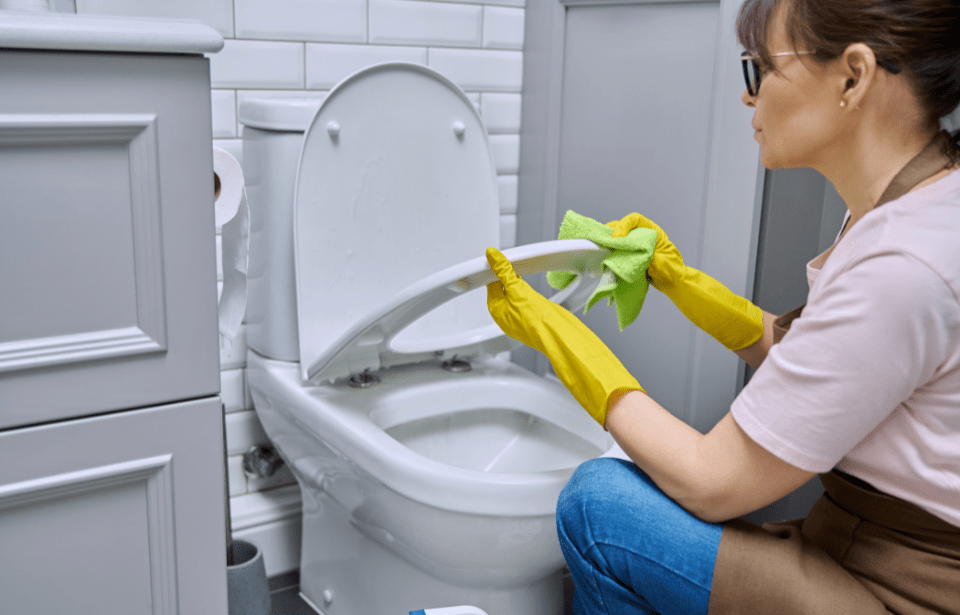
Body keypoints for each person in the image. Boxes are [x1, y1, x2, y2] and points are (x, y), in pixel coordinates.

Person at [483, 0, 960, 612]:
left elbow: (710, 482)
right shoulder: (920, 203)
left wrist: (559, 338)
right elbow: (817, 359)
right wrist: (681, 281)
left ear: (854, 76)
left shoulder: (905, 264)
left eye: (761, 68)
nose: (749, 95)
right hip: (856, 547)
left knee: (597, 505)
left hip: (902, 593)